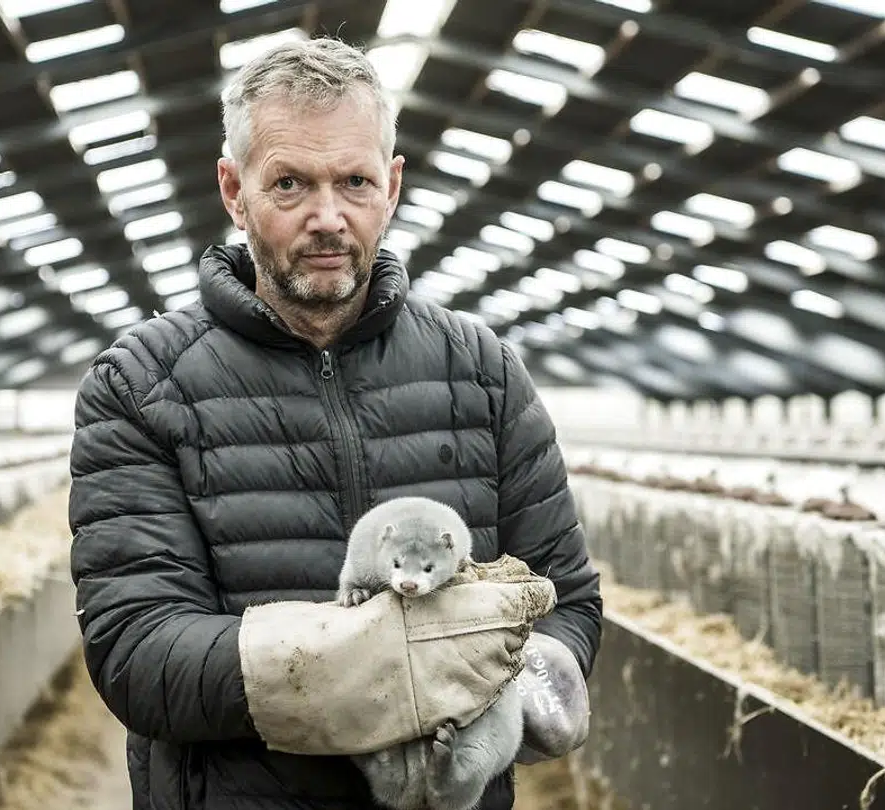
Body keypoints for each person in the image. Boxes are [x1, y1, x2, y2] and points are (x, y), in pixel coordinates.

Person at [68, 35, 602, 810]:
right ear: (234, 190)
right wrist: (371, 661)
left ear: (392, 186)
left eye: (354, 181)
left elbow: (567, 601)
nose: (328, 217)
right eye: (289, 183)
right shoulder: (142, 386)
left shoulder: (482, 373)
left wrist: (517, 688)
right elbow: (137, 651)